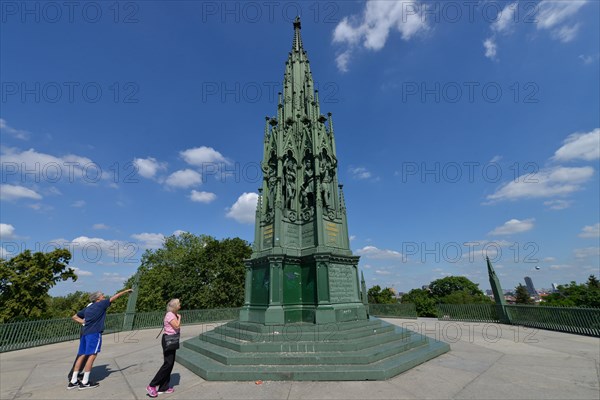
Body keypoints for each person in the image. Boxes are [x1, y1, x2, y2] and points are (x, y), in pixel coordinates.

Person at [67, 288, 133, 390]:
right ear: (98, 298)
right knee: (92, 356)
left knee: (82, 355)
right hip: (94, 334)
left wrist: (83, 322)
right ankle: (85, 382)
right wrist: (125, 291)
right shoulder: (101, 304)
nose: (104, 296)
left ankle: (73, 381)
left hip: (85, 333)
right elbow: (114, 298)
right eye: (102, 295)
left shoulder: (88, 308)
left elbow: (74, 316)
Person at [146, 299, 181, 398]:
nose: (180, 305)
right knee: (167, 364)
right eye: (178, 304)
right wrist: (180, 318)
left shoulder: (173, 314)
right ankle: (152, 385)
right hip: (168, 341)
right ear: (174, 306)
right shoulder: (170, 315)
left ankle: (164, 387)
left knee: (170, 364)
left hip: (172, 340)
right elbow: (177, 326)